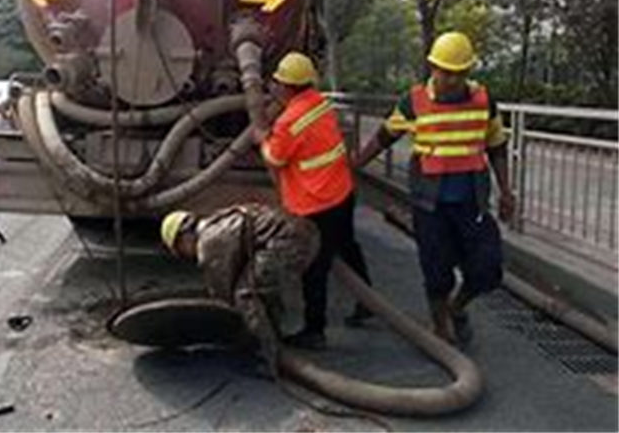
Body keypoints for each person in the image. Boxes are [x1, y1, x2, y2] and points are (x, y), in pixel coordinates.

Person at [353, 31, 515, 345]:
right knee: (437, 269)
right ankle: (440, 324)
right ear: (432, 67)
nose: (451, 80)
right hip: (431, 205)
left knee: (487, 268)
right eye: (445, 71)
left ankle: (457, 307)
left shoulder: (484, 100)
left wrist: (506, 191)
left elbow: (497, 146)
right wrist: (357, 163)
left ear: (468, 71)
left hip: (472, 202)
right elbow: (386, 135)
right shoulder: (413, 102)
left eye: (459, 73)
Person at [254, 51, 374, 350]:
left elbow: (275, 156)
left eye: (278, 83)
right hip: (341, 192)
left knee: (314, 267)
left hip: (315, 203)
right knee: (347, 246)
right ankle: (366, 300)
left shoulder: (289, 122)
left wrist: (262, 137)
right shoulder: (321, 105)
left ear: (286, 87)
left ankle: (315, 330)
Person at [160, 203, 320, 371]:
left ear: (183, 237)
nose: (186, 256)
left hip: (290, 243)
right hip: (304, 233)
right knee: (262, 286)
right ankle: (272, 338)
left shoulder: (208, 243)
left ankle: (269, 359)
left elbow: (223, 291)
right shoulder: (217, 220)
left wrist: (224, 328)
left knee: (246, 295)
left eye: (181, 251)